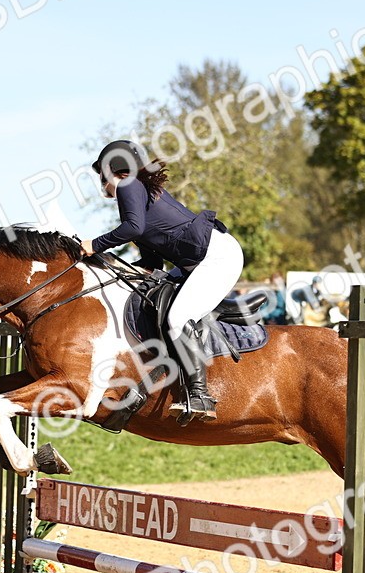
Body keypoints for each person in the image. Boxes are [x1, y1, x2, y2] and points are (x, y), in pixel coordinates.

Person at [80, 140, 243, 424]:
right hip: (198, 261)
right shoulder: (136, 189)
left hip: (217, 258)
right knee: (158, 299)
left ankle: (200, 395)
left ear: (113, 171)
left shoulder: (128, 184)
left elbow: (133, 228)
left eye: (102, 176)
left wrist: (95, 244)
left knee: (177, 318)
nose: (102, 184)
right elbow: (150, 249)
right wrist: (139, 267)